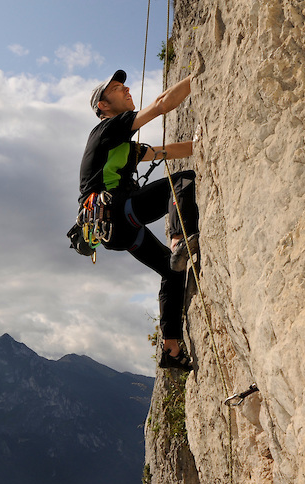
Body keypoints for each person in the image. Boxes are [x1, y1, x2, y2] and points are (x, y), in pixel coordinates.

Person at [78, 69, 200, 371]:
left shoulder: (119, 145)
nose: (127, 89)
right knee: (180, 181)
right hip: (118, 211)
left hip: (115, 231)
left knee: (171, 271)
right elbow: (160, 105)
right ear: (103, 107)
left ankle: (170, 347)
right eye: (118, 89)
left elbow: (165, 152)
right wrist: (197, 75)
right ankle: (178, 238)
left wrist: (204, 145)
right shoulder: (107, 129)